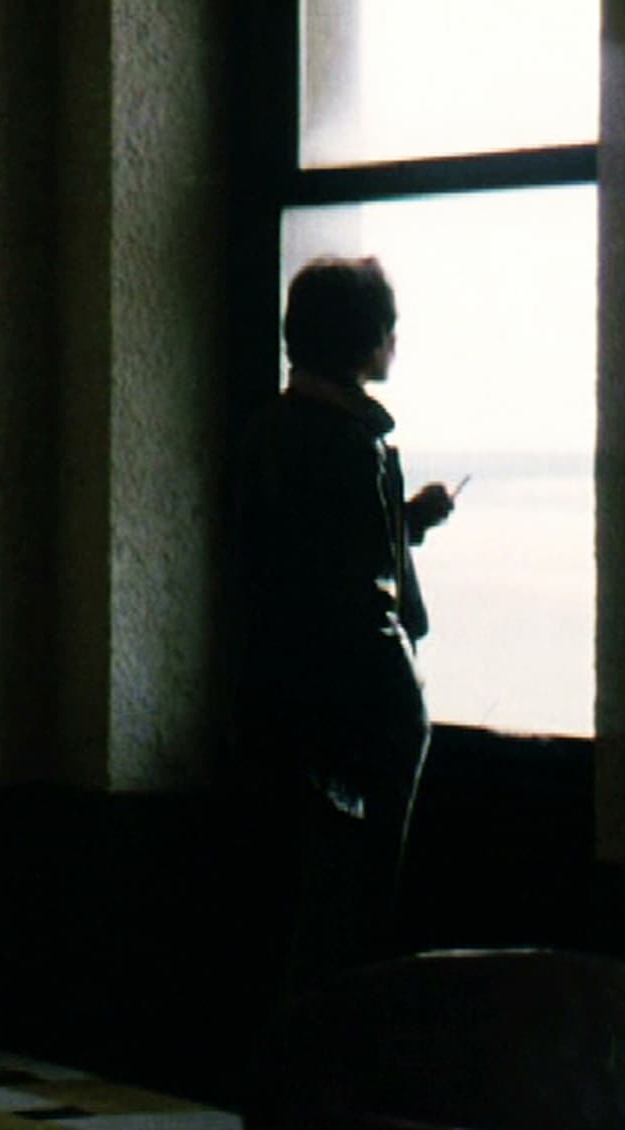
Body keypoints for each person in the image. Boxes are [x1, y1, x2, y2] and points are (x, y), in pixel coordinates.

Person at [229, 256, 457, 996]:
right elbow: (353, 574)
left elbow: (309, 550)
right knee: (362, 881)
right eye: (388, 327)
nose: (395, 340)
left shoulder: (272, 430)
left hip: (286, 690)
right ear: (364, 339)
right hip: (362, 694)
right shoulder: (351, 441)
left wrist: (405, 520)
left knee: (307, 881)